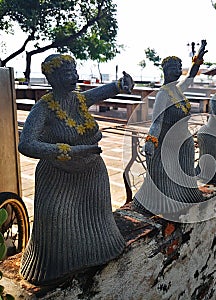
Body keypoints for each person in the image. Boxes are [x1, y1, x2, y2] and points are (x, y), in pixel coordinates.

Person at [18, 54, 134, 285]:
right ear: (52, 78)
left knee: (97, 215)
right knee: (56, 216)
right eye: (67, 74)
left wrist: (122, 85)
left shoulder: (79, 100)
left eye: (74, 72)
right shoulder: (44, 108)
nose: (75, 77)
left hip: (92, 171)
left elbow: (105, 91)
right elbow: (26, 143)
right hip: (57, 174)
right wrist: (65, 151)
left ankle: (99, 251)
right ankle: (53, 265)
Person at [132, 41, 208, 218]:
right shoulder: (163, 94)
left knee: (184, 175)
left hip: (184, 142)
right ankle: (166, 203)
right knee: (166, 177)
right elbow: (157, 122)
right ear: (165, 70)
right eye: (173, 68)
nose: (176, 71)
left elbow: (190, 77)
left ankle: (185, 197)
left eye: (178, 67)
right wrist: (151, 141)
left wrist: (197, 59)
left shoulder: (178, 90)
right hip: (167, 143)